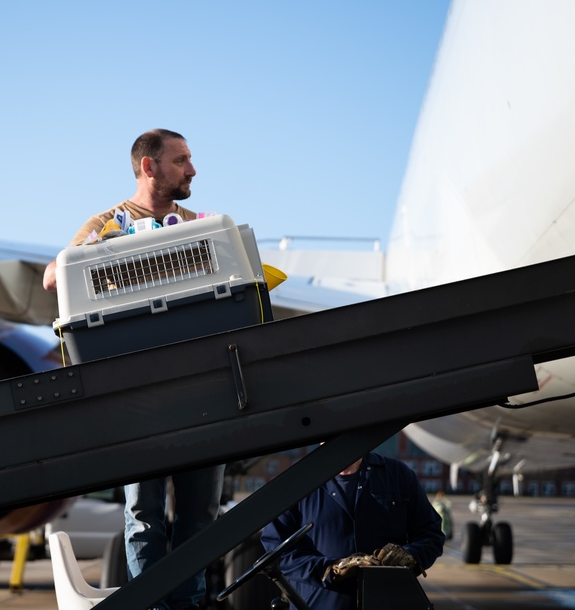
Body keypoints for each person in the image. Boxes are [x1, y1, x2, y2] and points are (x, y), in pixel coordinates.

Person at [42, 129, 223, 610]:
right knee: (143, 513)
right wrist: (106, 247)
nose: (192, 169)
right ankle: (152, 604)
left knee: (200, 511)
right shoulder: (109, 221)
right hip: (136, 398)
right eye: (182, 160)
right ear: (149, 167)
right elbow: (52, 276)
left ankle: (186, 604)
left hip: (200, 390)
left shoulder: (198, 224)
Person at [260, 451, 445, 610]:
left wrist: (411, 555)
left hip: (388, 602)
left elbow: (431, 534)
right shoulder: (297, 481)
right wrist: (329, 569)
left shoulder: (398, 475)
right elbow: (275, 550)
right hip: (317, 605)